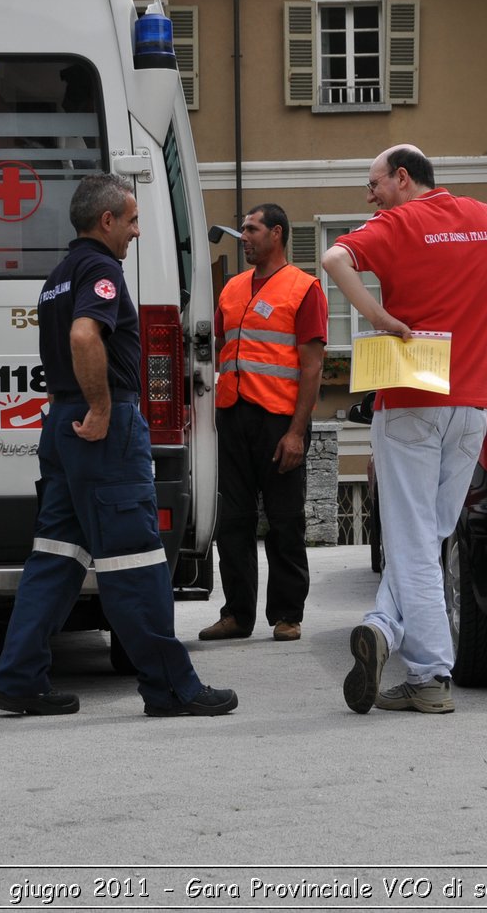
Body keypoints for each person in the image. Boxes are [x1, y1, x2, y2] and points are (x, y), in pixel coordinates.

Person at [321, 145, 487, 715]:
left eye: (375, 183)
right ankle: (383, 628)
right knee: (432, 535)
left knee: (411, 539)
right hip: (470, 404)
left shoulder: (394, 223)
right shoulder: (484, 219)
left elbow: (333, 259)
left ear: (403, 178)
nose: (370, 196)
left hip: (411, 397)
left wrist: (378, 317)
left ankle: (431, 674)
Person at [0, 173, 237, 718]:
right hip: (103, 429)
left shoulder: (59, 274)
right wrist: (102, 409)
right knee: (137, 561)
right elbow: (85, 336)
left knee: (54, 559)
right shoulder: (101, 269)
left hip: (61, 427)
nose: (137, 230)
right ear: (106, 221)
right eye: (131, 219)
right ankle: (171, 687)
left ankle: (20, 679)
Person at [199, 204, 327, 644]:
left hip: (280, 423)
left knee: (285, 519)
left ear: (277, 233)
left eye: (251, 230)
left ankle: (287, 614)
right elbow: (214, 351)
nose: (244, 237)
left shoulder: (304, 288)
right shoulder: (232, 289)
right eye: (242, 230)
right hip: (232, 418)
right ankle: (237, 614)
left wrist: (297, 432)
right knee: (232, 521)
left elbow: (312, 367)